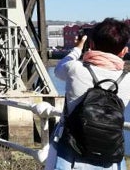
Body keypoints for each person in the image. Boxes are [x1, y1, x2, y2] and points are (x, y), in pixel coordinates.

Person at [47, 18, 130, 170]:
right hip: (110, 157)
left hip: (70, 154)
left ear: (91, 45)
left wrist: (78, 49)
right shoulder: (128, 80)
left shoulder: (75, 69)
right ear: (124, 51)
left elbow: (59, 69)